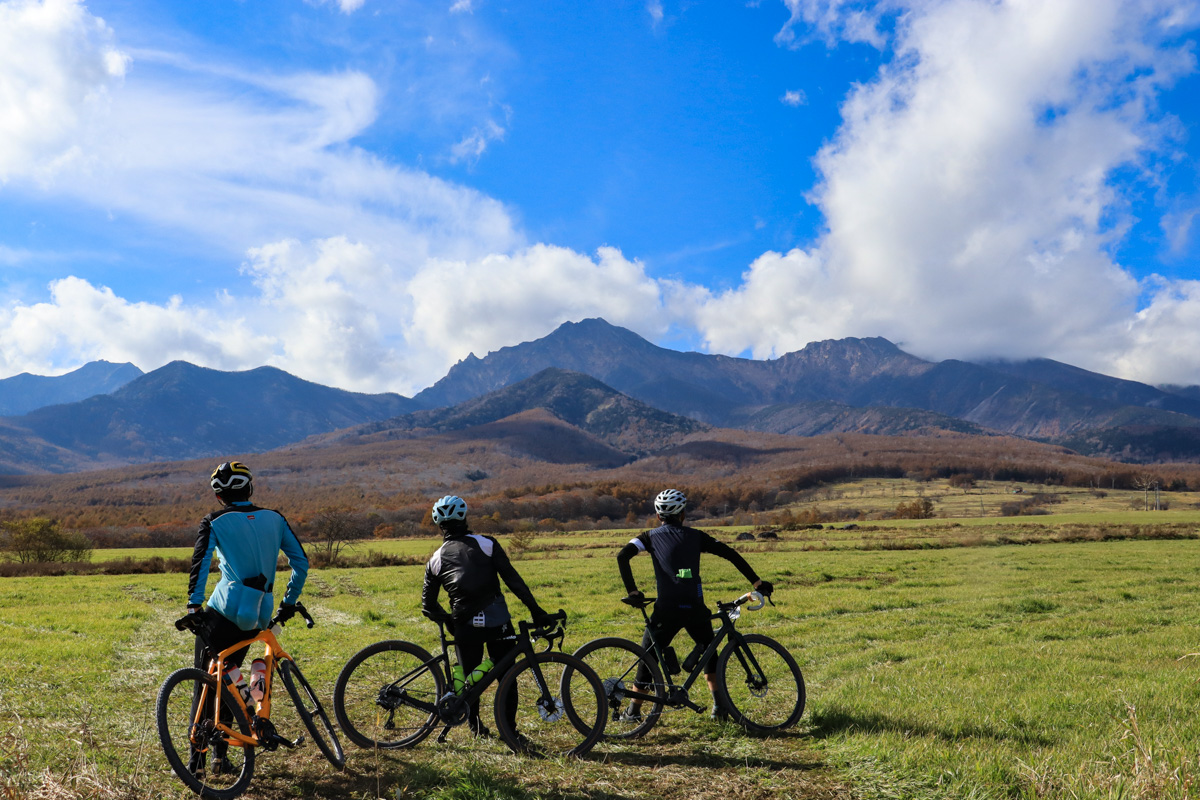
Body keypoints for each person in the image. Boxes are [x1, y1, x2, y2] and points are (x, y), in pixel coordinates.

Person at [185, 461, 309, 769]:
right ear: (249, 488)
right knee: (230, 675)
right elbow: (301, 564)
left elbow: (200, 564)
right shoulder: (275, 518)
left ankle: (196, 760)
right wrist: (288, 601)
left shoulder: (215, 521)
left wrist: (193, 606)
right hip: (258, 615)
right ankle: (221, 756)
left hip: (224, 611)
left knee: (208, 680)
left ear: (219, 497)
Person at [616, 488, 773, 721]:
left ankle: (634, 712)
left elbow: (622, 556)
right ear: (683, 515)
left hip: (666, 608)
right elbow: (730, 554)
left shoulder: (648, 537)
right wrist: (757, 582)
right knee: (711, 655)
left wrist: (633, 591)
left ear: (658, 516)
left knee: (647, 659)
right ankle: (720, 709)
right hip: (694, 606)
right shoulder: (696, 536)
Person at [421, 494, 551, 738]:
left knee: (469, 682)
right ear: (465, 518)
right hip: (497, 622)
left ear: (439, 525)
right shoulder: (488, 544)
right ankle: (510, 732)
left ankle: (476, 728)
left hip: (464, 627)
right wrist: (536, 610)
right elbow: (513, 580)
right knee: (507, 678)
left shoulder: (435, 560)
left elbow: (428, 606)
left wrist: (449, 622)